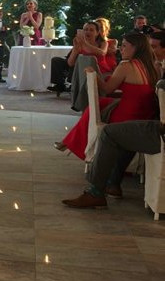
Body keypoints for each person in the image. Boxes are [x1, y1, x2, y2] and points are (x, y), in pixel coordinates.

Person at [62, 79, 165, 208]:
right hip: (155, 123)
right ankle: (113, 184)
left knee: (109, 133)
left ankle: (95, 192)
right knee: (129, 131)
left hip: (161, 134)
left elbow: (108, 89)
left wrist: (160, 85)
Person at [55, 33, 159, 158]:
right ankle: (69, 142)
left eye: (124, 46)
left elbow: (107, 89)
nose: (121, 49)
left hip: (128, 115)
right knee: (101, 103)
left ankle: (73, 144)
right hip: (146, 113)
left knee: (95, 105)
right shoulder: (153, 66)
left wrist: (94, 74)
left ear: (136, 47)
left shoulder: (126, 65)